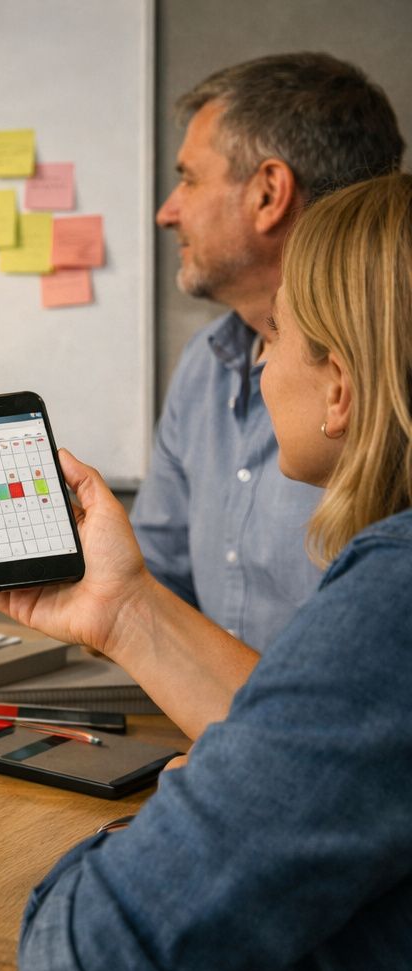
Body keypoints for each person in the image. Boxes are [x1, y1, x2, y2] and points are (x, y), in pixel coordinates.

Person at [0, 173, 412, 971]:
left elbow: (85, 960)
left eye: (281, 335)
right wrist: (123, 610)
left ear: (339, 387)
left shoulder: (395, 598)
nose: (260, 360)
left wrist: (172, 823)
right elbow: (360, 747)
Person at [131, 52, 403, 650]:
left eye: (190, 177)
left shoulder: (390, 385)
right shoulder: (204, 363)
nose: (166, 211)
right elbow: (155, 580)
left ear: (269, 193)